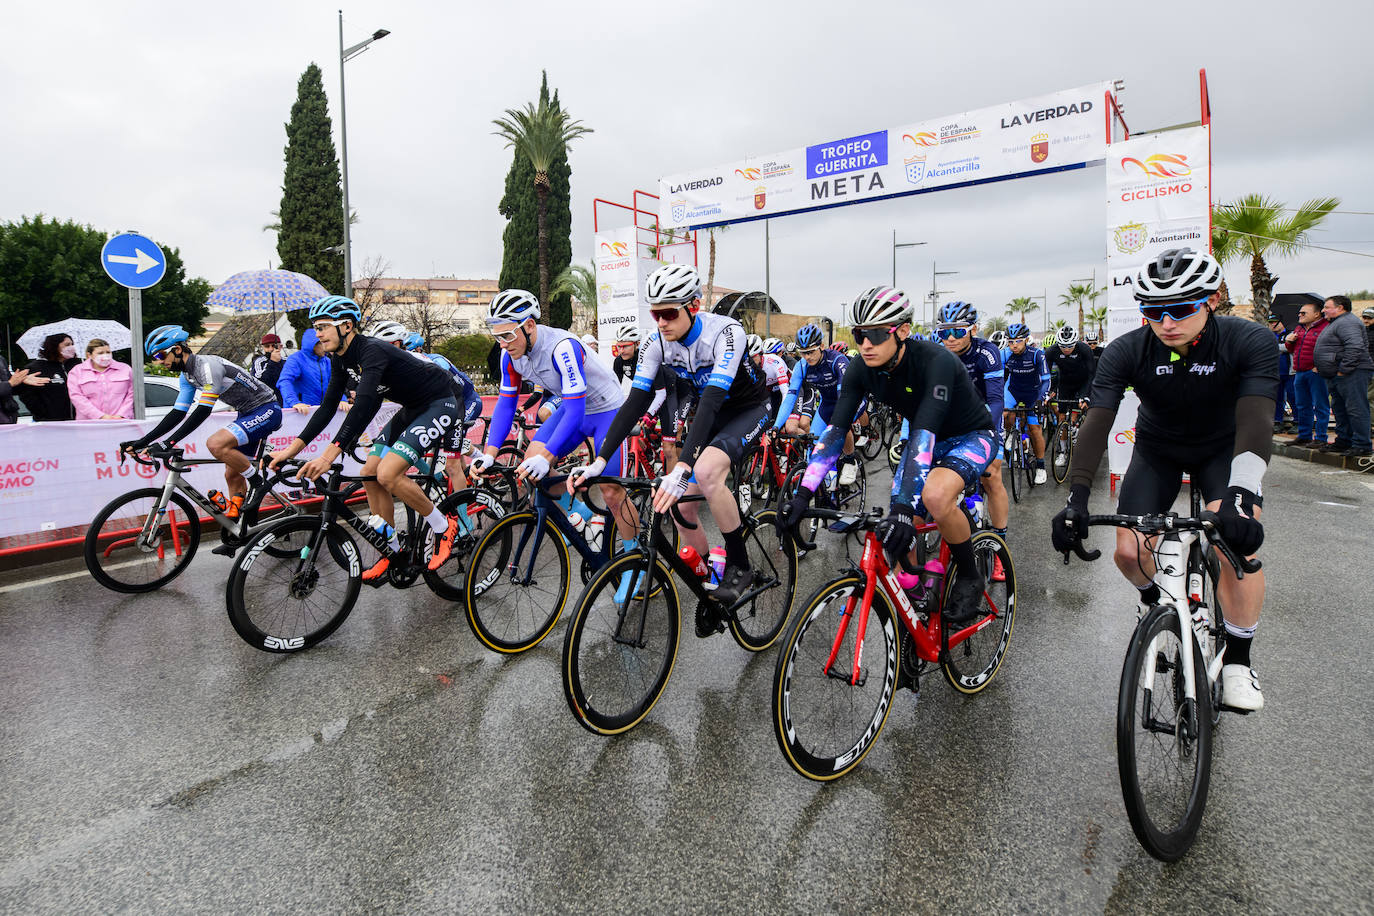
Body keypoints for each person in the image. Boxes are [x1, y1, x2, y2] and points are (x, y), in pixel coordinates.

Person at [1051, 248, 1277, 711]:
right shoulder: (1127, 350)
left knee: (1234, 545)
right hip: (1159, 450)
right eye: (1153, 311)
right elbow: (1098, 420)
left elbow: (1257, 420)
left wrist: (1243, 492)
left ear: (1211, 301)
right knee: (1129, 549)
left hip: (1224, 451)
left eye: (1181, 308)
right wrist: (1075, 497)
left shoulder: (1248, 340)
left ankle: (1238, 660)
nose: (1167, 321)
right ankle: (1155, 601)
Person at [779, 286, 997, 626]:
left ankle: (970, 574)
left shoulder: (936, 361)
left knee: (933, 498)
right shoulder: (859, 367)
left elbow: (924, 434)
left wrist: (903, 511)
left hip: (969, 436)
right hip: (925, 440)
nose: (866, 344)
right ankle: (914, 604)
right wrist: (803, 494)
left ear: (903, 331)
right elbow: (835, 433)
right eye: (860, 334)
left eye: (877, 334)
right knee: (896, 540)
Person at [570, 264, 769, 628]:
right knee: (678, 506)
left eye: (668, 313)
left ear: (693, 305)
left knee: (706, 474)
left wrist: (682, 467)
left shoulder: (726, 333)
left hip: (746, 409)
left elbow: (710, 401)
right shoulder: (655, 342)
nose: (660, 322)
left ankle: (740, 565)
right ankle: (710, 574)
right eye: (654, 313)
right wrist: (600, 460)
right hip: (710, 415)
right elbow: (635, 401)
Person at [268, 297, 466, 578]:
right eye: (316, 327)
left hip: (439, 403)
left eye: (323, 326)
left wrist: (328, 455)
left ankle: (444, 526)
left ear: (347, 325)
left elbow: (363, 405)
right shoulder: (339, 358)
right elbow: (326, 408)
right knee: (369, 473)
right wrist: (291, 449)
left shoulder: (371, 351)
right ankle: (391, 549)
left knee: (388, 474)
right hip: (411, 408)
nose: (318, 333)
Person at [471, 289, 636, 565]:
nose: (502, 344)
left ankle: (633, 557)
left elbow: (575, 408)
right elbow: (505, 404)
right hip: (576, 410)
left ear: (530, 325)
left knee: (611, 491)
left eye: (508, 335)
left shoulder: (563, 347)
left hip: (607, 410)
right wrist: (489, 453)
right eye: (498, 336)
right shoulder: (509, 355)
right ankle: (580, 514)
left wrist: (547, 457)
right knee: (531, 463)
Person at [122, 326, 283, 518]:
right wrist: (142, 442)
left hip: (267, 409)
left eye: (161, 355)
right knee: (232, 475)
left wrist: (168, 442)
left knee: (216, 444)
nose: (160, 361)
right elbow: (178, 413)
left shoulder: (207, 366)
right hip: (246, 413)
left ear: (178, 350)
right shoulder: (187, 376)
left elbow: (203, 410)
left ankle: (259, 484)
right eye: (156, 358)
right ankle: (240, 528)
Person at [936, 302, 1010, 544]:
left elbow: (997, 400)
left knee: (992, 476)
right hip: (953, 418)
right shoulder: (938, 352)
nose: (950, 338)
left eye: (957, 331)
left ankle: (999, 542)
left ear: (973, 329)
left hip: (985, 415)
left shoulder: (987, 352)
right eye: (944, 332)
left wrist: (982, 427)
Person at [774, 323, 864, 486]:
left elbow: (844, 396)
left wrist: (838, 425)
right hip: (827, 403)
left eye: (811, 352)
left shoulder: (837, 360)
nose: (807, 357)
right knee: (815, 445)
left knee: (842, 426)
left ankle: (851, 460)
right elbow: (790, 397)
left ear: (822, 346)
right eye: (803, 353)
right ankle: (824, 487)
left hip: (850, 399)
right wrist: (776, 426)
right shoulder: (802, 366)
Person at [1313, 294, 1374, 457]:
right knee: (1340, 409)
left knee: (1356, 408)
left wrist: (1343, 369)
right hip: (1338, 374)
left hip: (1353, 372)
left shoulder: (1347, 322)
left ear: (1340, 308)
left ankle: (1362, 444)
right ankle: (1344, 441)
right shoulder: (1337, 323)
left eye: (1327, 307)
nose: (1323, 310)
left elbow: (1355, 347)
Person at [1002, 323, 1051, 483]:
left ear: (1026, 340)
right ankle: (1010, 434)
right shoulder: (1005, 354)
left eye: (1018, 341)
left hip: (1033, 393)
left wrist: (1040, 398)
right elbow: (996, 376)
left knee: (1034, 429)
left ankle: (1041, 466)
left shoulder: (1037, 354)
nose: (1014, 345)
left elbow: (1046, 380)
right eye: (1010, 342)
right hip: (1013, 390)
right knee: (1003, 412)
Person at [1285, 300, 1330, 448]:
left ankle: (1321, 437)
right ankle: (1304, 435)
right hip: (1300, 371)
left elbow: (1331, 348)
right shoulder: (1299, 328)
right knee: (1302, 405)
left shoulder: (1326, 328)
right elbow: (1292, 350)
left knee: (1320, 405)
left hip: (1315, 373)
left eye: (1304, 312)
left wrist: (1320, 366)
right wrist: (1289, 341)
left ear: (1317, 314)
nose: (1300, 315)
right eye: (1300, 312)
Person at [277, 327, 339, 415]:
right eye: (322, 343)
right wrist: (295, 402)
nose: (325, 347)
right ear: (313, 345)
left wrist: (342, 399)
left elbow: (335, 384)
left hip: (321, 412)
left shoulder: (326, 361)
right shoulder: (295, 359)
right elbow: (284, 381)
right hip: (299, 413)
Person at [17, 332, 77, 421]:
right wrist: (42, 413)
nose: (71, 347)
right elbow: (26, 394)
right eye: (67, 344)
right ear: (54, 346)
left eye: (72, 344)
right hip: (49, 423)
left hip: (77, 421)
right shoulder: (35, 368)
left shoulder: (77, 365)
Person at [68, 338, 133, 419]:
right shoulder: (77, 372)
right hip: (89, 424)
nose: (105, 356)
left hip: (121, 422)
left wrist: (121, 415)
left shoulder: (125, 369)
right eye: (100, 353)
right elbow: (77, 397)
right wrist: (100, 416)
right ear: (89, 355)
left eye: (108, 352)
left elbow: (132, 394)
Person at [748, 332, 790, 423]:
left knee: (788, 426)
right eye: (748, 358)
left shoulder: (774, 361)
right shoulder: (747, 366)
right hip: (769, 392)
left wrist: (781, 419)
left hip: (787, 389)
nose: (751, 362)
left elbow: (785, 391)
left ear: (761, 353)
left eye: (753, 357)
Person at [1266, 314, 1296, 433]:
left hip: (1289, 372)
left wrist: (1275, 347)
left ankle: (1297, 421)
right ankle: (1277, 422)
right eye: (1270, 322)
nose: (1272, 324)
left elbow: (1290, 347)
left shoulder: (1290, 333)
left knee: (1293, 397)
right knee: (1277, 398)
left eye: (1275, 322)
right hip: (1275, 373)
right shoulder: (1268, 335)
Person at [0, 354, 40, 424]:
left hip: (9, 416)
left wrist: (22, 382)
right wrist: (10, 384)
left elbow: (11, 388)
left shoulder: (1, 359)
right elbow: (10, 383)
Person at [250, 334, 285, 402]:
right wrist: (273, 362)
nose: (271, 349)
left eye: (274, 346)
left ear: (280, 346)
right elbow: (259, 382)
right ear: (263, 347)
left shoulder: (287, 361)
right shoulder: (259, 362)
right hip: (269, 402)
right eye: (267, 346)